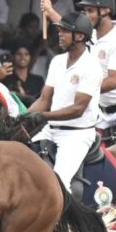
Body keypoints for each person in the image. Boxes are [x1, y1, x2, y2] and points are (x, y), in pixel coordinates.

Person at [46, 0, 116, 142]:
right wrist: (50, 10)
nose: (86, 15)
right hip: (100, 112)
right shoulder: (91, 32)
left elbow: (113, 81)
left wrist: (79, 91)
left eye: (90, 10)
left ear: (106, 10)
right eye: (85, 10)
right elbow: (70, 29)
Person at [25, 11, 102, 188]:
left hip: (76, 135)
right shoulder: (57, 61)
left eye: (64, 31)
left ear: (80, 36)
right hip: (50, 129)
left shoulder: (91, 66)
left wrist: (43, 116)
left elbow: (77, 109)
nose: (59, 35)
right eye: (59, 31)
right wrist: (22, 118)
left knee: (59, 183)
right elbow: (44, 100)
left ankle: (65, 216)